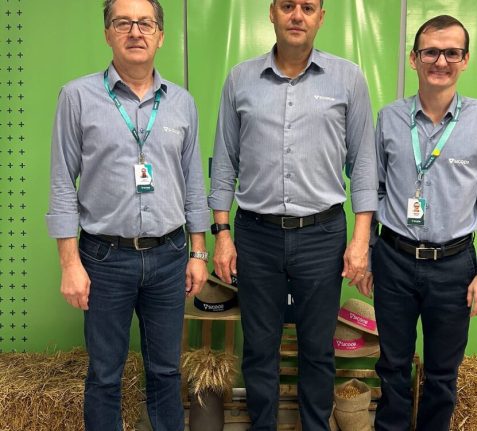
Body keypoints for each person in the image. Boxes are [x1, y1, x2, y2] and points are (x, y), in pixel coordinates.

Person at [208, 0, 378, 429]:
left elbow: (363, 165)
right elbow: (224, 162)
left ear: (321, 16)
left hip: (323, 235)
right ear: (272, 12)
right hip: (256, 235)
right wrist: (222, 234)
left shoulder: (348, 79)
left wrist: (361, 240)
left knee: (317, 350)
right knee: (259, 348)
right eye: (287, 5)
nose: (297, 15)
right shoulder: (240, 79)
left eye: (307, 7)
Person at [46, 0, 210, 430]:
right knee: (104, 376)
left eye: (145, 23)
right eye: (123, 23)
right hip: (104, 259)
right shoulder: (77, 97)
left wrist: (198, 252)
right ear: (107, 33)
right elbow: (62, 184)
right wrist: (69, 264)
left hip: (170, 257)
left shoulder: (182, 103)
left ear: (160, 35)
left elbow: (194, 183)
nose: (135, 32)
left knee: (166, 372)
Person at [361, 15, 477, 431]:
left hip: (454, 266)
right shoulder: (389, 118)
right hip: (394, 260)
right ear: (414, 59)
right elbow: (372, 190)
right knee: (392, 366)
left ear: (465, 60)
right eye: (430, 52)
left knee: (443, 375)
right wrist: (369, 253)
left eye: (451, 52)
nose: (440, 61)